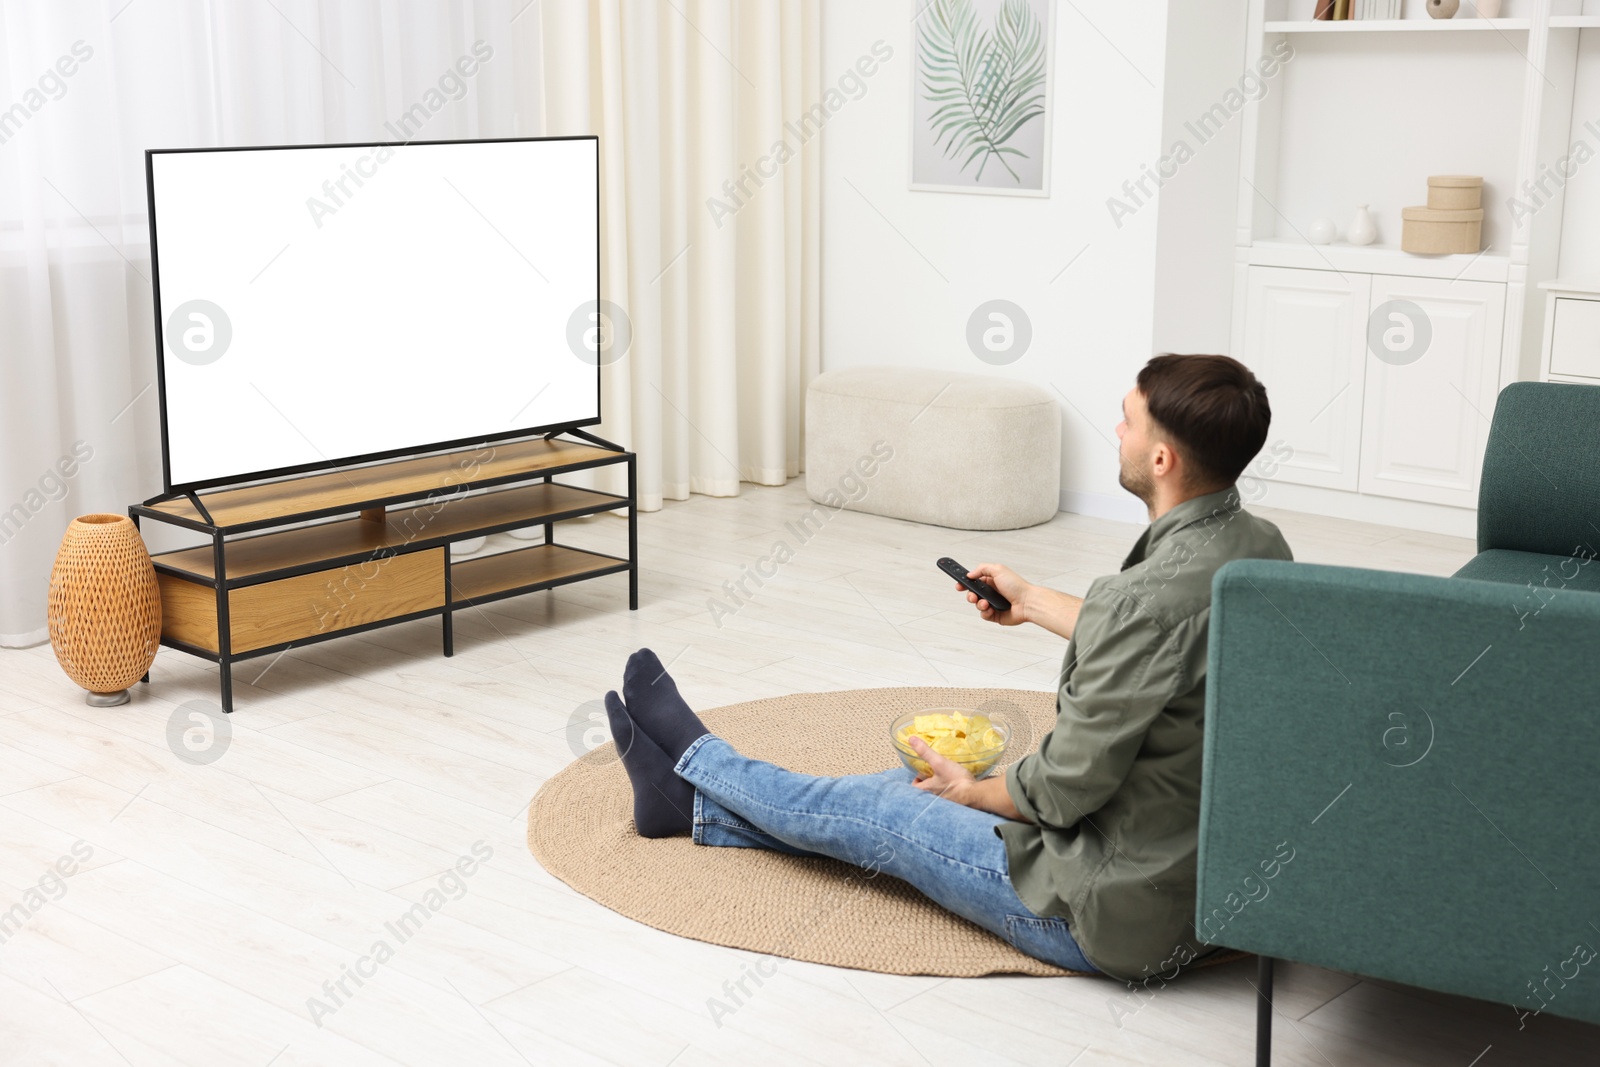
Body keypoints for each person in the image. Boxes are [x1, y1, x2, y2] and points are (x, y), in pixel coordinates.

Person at [599, 354, 1294, 982]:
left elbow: (1061, 790)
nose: (1117, 430)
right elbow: (1163, 642)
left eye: (1128, 420)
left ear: (1164, 458)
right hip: (1203, 878)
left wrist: (973, 793)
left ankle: (700, 760)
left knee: (889, 801)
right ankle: (685, 809)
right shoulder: (1257, 547)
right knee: (907, 782)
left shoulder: (1143, 602)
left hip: (1105, 910)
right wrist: (1031, 601)